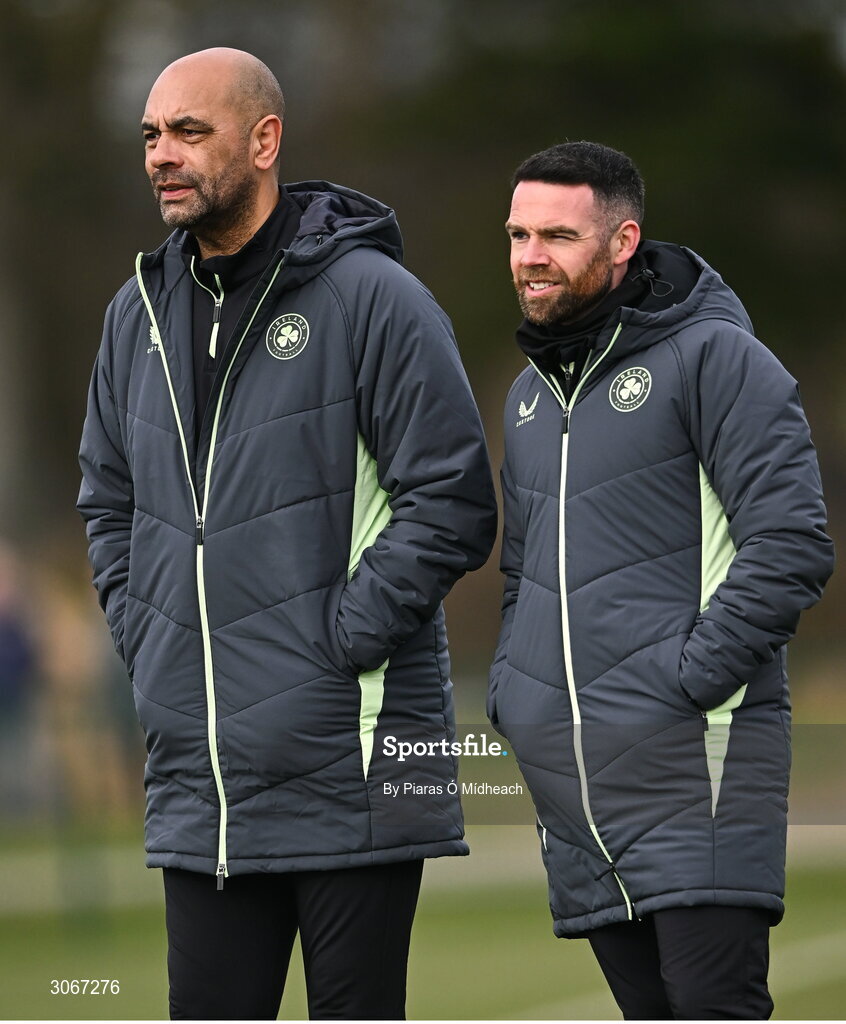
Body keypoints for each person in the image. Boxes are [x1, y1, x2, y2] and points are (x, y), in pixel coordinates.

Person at [78, 47, 496, 1021]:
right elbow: (106, 503)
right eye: (151, 135)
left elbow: (454, 500)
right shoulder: (131, 317)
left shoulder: (377, 299)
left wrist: (335, 645)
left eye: (190, 131)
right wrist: (150, 637)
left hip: (357, 757)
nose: (161, 156)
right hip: (201, 776)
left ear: (265, 140)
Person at [487, 141, 834, 1020]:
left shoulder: (718, 359)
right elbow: (522, 572)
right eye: (519, 234)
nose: (532, 256)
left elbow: (790, 542)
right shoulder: (529, 397)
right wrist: (514, 695)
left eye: (558, 235)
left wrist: (681, 685)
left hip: (698, 772)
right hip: (577, 796)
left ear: (622, 240)